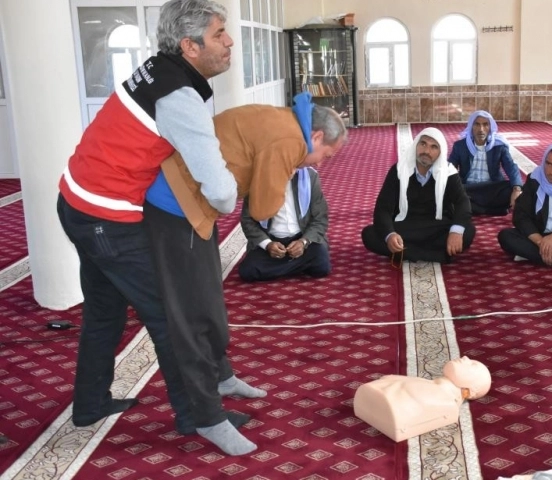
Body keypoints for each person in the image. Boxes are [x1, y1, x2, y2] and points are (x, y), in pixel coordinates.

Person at [56, 0, 255, 442]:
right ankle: (203, 418)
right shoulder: (178, 97)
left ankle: (90, 404)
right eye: (219, 34)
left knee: (104, 312)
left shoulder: (157, 69)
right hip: (106, 218)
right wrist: (228, 201)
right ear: (189, 46)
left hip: (76, 201)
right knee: (172, 318)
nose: (229, 42)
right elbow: (220, 189)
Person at [145, 92, 346, 454]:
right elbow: (265, 207)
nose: (321, 164)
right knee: (192, 317)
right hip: (177, 209)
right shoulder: (289, 139)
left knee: (211, 303)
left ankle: (221, 378)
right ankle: (206, 418)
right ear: (316, 137)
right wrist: (277, 171)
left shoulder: (287, 123)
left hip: (197, 208)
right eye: (326, 155)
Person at [361, 127, 476, 264]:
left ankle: (405, 253)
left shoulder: (448, 173)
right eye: (423, 144)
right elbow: (382, 208)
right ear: (416, 145)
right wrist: (390, 235)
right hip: (405, 227)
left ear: (440, 152)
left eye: (434, 147)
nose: (426, 151)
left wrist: (455, 231)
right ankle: (435, 255)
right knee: (369, 234)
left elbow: (462, 202)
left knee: (467, 230)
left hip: (436, 227)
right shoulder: (399, 170)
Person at [353, 357, 491, 442]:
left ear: (469, 391)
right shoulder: (425, 384)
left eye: (472, 365)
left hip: (386, 408)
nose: (465, 357)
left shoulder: (445, 403)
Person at [238, 166, 331, 282]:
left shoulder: (309, 176)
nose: (291, 169)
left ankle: (281, 267)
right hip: (271, 241)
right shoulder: (256, 181)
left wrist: (303, 242)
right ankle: (298, 265)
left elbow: (320, 218)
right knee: (248, 271)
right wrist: (267, 244)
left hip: (302, 238)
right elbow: (248, 221)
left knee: (322, 265)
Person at [448, 110, 523, 215]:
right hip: (469, 188)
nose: (481, 129)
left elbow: (511, 166)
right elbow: (450, 167)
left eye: (485, 125)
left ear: (490, 127)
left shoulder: (498, 145)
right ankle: (490, 210)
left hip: (492, 188)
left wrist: (516, 189)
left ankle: (472, 208)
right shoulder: (460, 146)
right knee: (450, 192)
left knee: (512, 189)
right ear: (471, 126)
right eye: (477, 124)